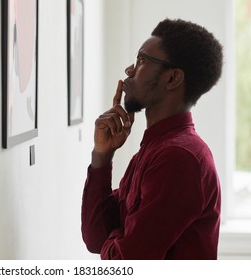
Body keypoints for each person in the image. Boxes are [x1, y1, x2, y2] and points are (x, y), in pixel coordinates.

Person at [81, 19, 223, 260]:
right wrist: (102, 155)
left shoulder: (179, 158)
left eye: (142, 60)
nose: (130, 70)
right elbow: (95, 238)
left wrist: (117, 237)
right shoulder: (155, 149)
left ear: (173, 79)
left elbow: (124, 264)